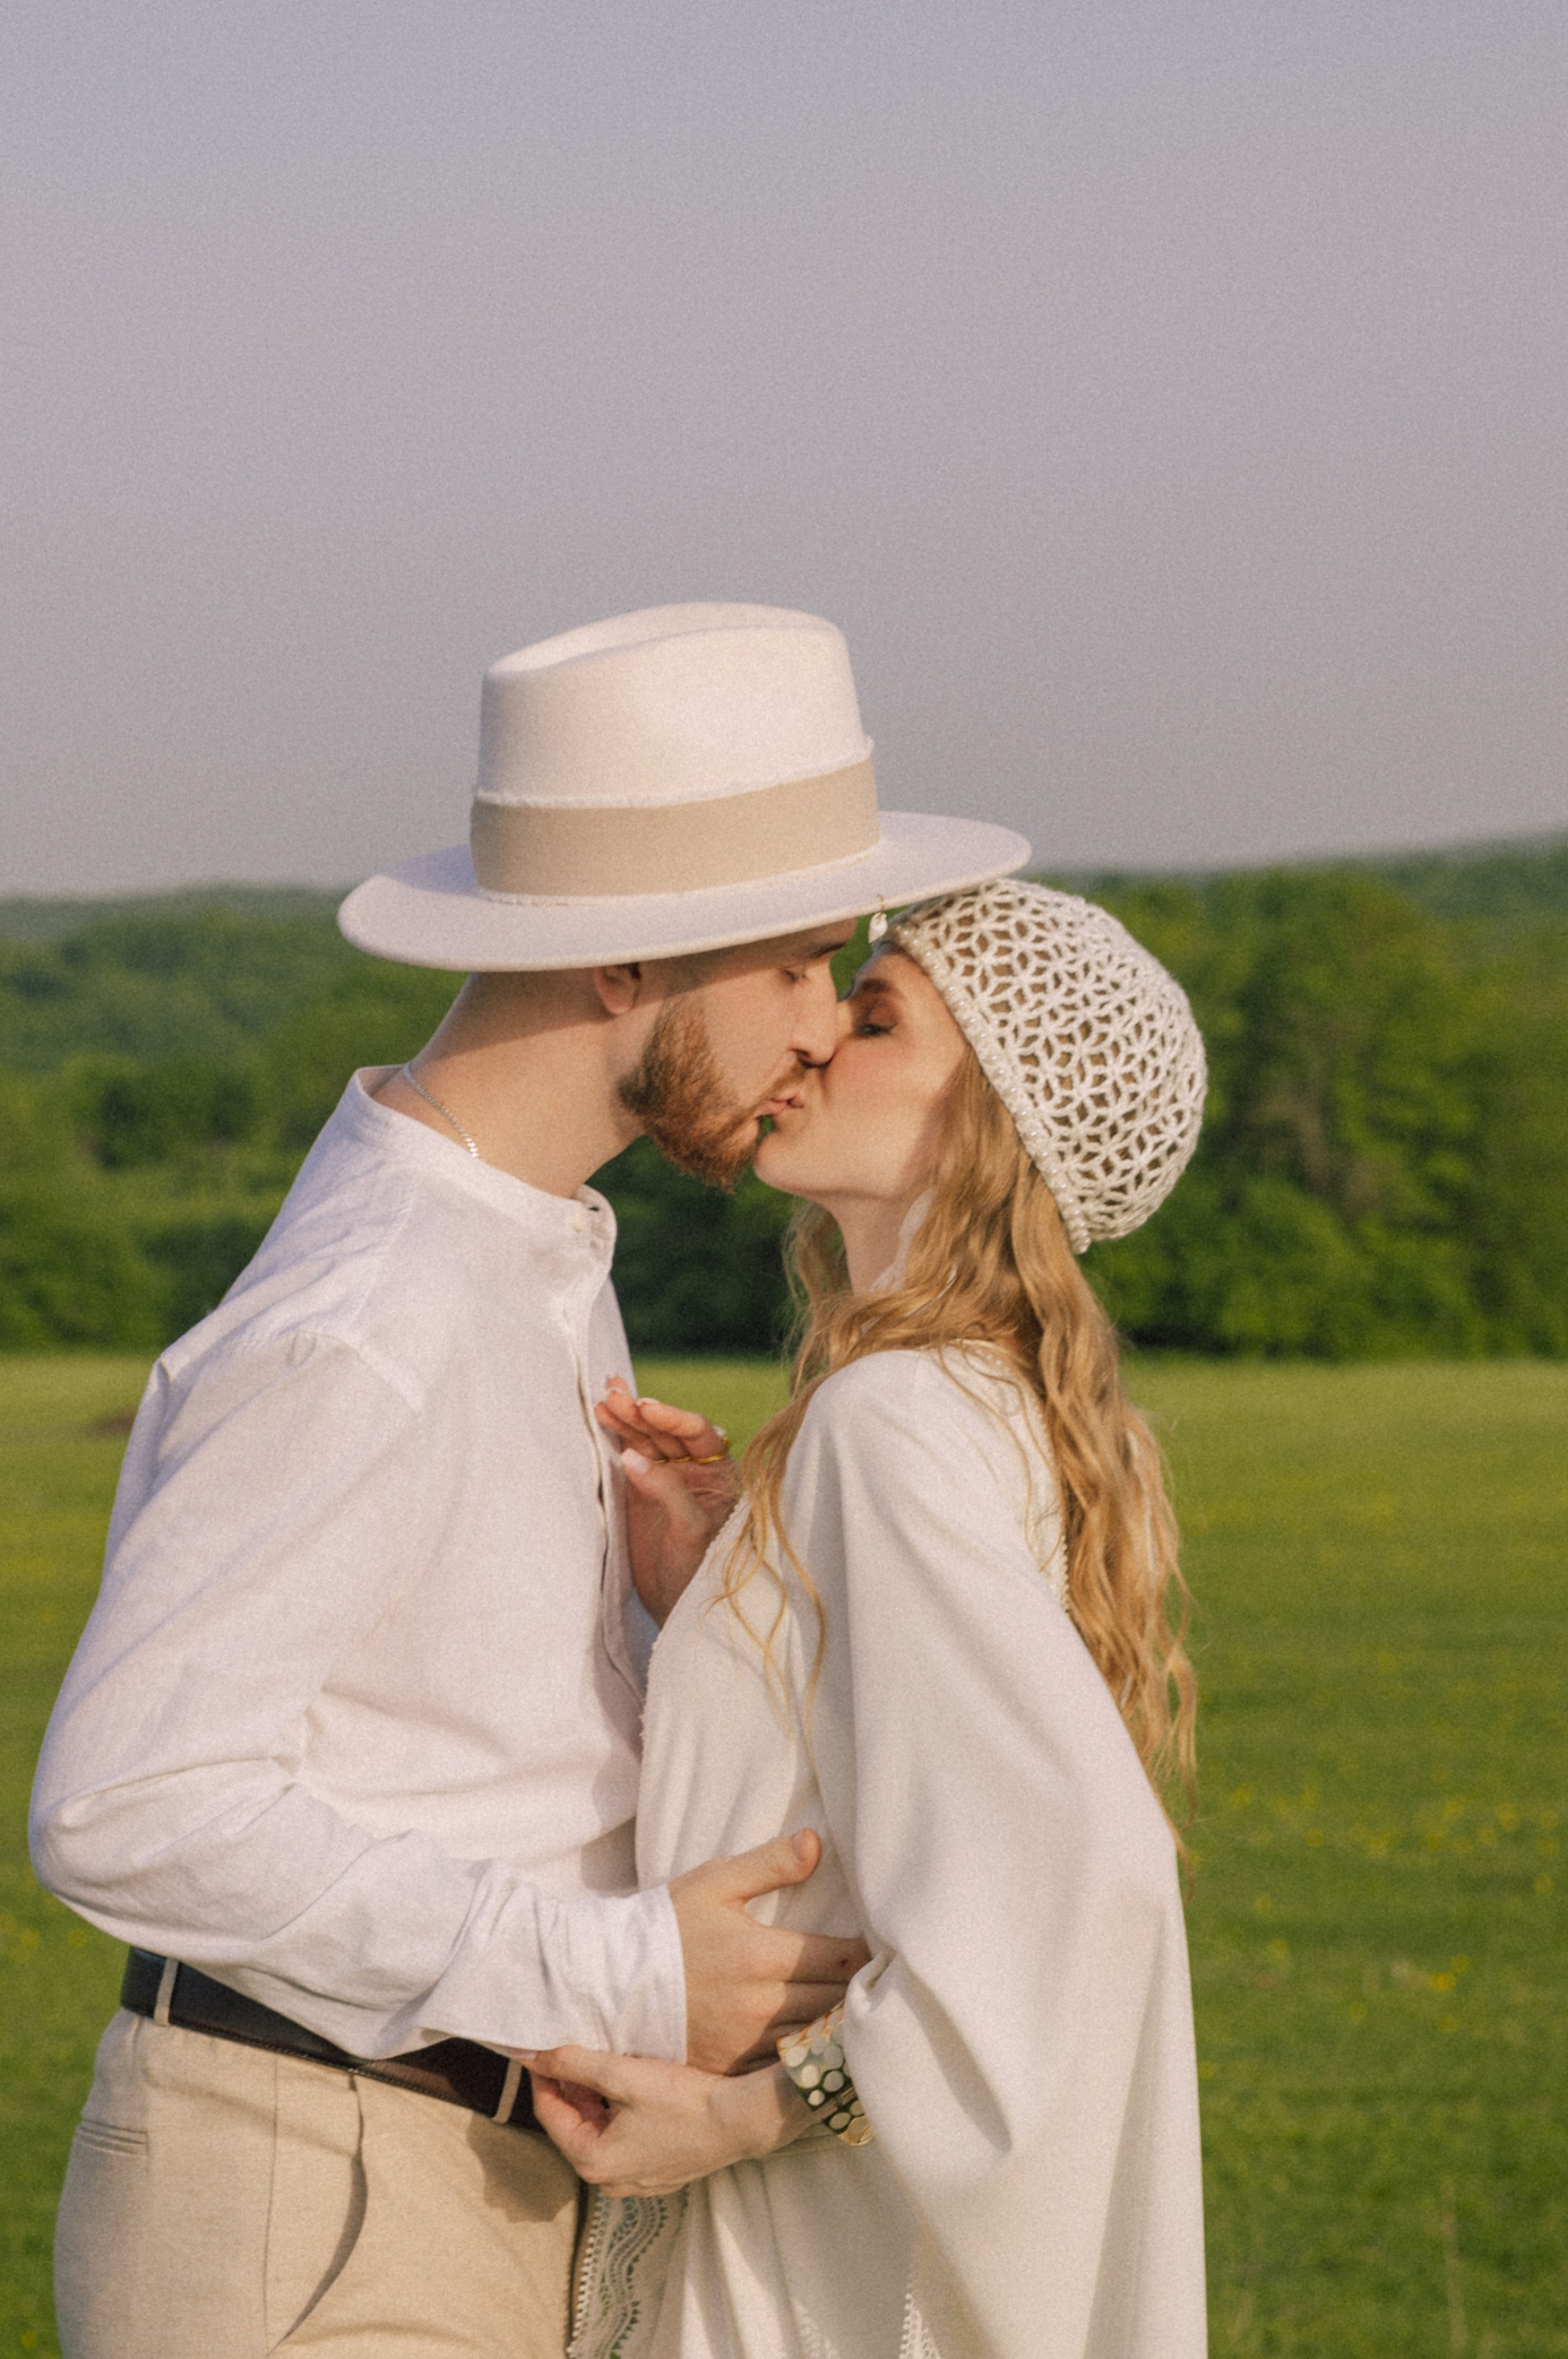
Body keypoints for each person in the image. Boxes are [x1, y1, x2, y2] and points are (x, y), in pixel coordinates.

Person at [29, 602, 1031, 2359]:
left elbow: (463, 1736)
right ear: (627, 964)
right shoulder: (374, 1318)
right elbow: (127, 1802)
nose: (821, 1031)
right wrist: (624, 1973)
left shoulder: (529, 1259)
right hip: (315, 2200)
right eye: (795, 965)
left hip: (463, 2181)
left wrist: (697, 1617)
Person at [530, 874, 1211, 2359]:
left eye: (880, 1012)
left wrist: (745, 2112)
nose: (823, 1030)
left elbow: (1083, 1872)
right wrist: (710, 1598)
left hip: (814, 2269)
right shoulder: (960, 1402)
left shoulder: (894, 1419)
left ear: (986, 1122)